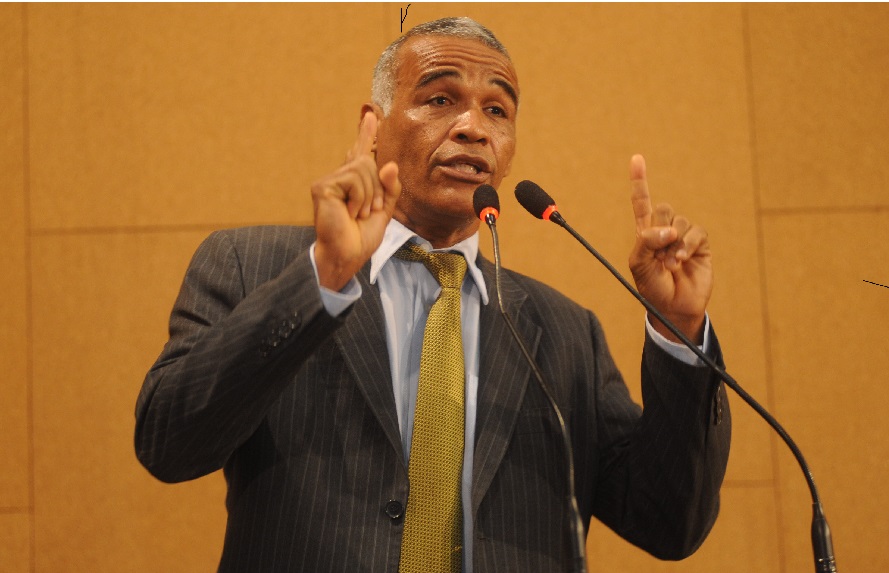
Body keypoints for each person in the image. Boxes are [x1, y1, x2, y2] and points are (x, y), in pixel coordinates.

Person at [135, 17, 730, 573]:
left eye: (496, 110)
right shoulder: (252, 266)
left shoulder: (565, 333)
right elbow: (169, 443)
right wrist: (323, 277)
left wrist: (679, 329)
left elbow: (668, 521)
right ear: (373, 127)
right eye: (440, 99)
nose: (473, 127)